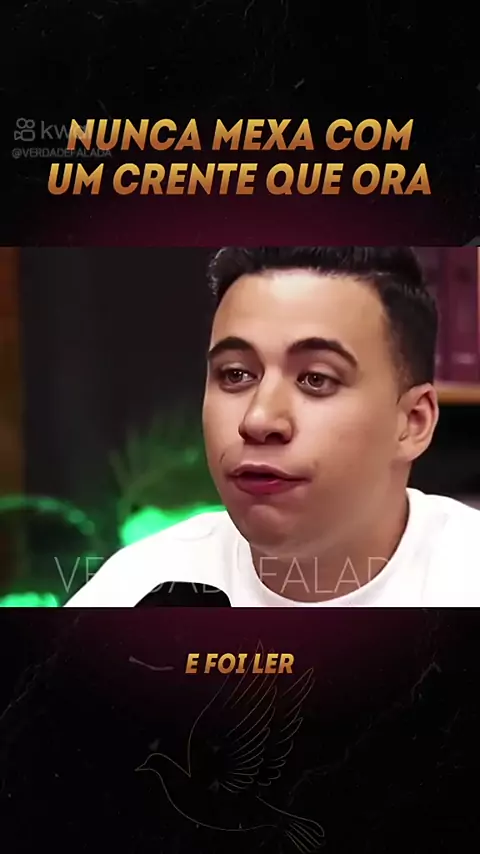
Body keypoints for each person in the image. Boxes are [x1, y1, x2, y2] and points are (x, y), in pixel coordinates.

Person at [65, 247, 480, 607]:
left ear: (413, 422)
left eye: (316, 379)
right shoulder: (134, 590)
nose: (258, 420)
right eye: (236, 375)